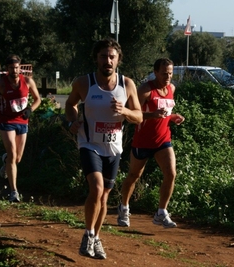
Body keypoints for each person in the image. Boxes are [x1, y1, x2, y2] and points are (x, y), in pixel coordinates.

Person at [65, 38, 142, 259]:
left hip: (113, 148)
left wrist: (125, 111)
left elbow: (139, 117)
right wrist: (73, 122)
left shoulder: (126, 84)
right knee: (97, 189)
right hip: (89, 144)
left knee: (105, 196)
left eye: (112, 57)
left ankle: (96, 238)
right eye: (103, 56)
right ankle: (88, 235)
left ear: (118, 60)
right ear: (96, 58)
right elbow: (70, 104)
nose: (107, 60)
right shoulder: (84, 83)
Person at [117, 58, 185, 228]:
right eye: (164, 73)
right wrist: (152, 115)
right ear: (155, 72)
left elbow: (166, 112)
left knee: (171, 173)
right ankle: (124, 207)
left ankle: (161, 213)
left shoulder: (172, 88)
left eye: (170, 73)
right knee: (133, 176)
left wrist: (173, 117)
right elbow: (132, 115)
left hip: (163, 140)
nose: (168, 77)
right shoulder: (145, 90)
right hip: (143, 141)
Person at [0, 54, 41, 203]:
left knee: (17, 158)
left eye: (16, 67)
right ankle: (13, 191)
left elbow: (38, 99)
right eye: (11, 68)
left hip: (22, 121)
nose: (14, 70)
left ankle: (6, 161)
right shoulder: (0, 84)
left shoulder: (28, 81)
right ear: (7, 69)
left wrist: (30, 109)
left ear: (20, 67)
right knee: (12, 152)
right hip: (6, 120)